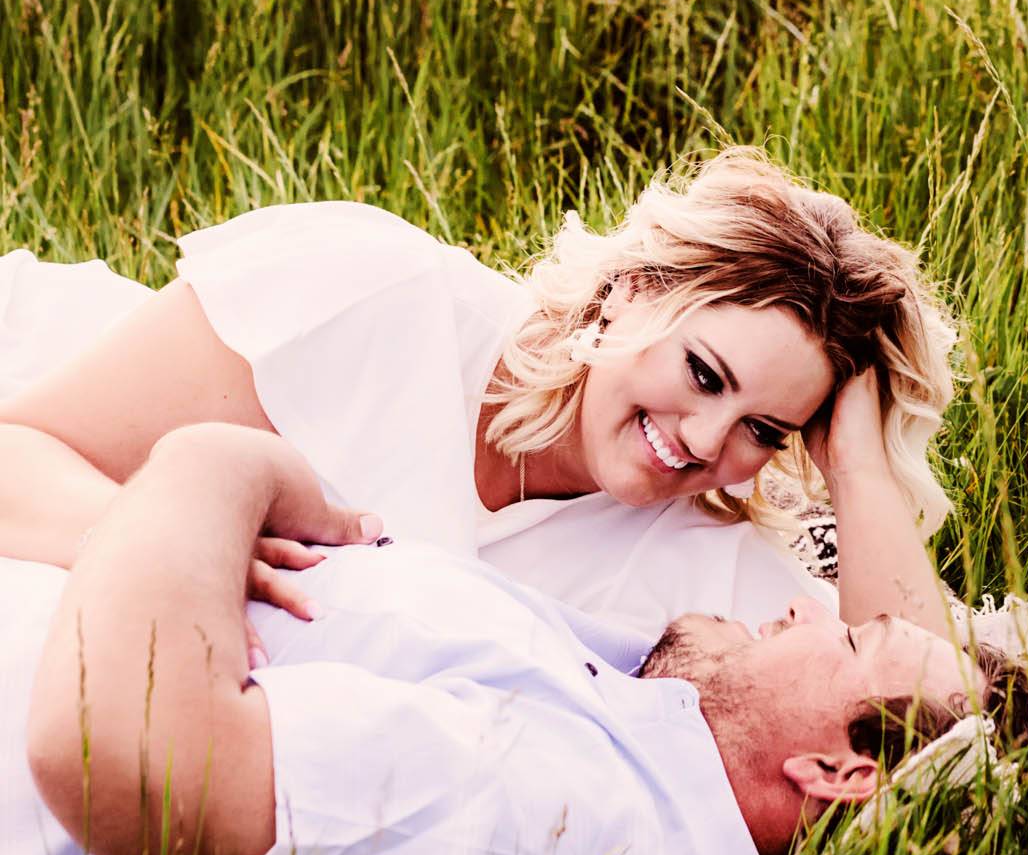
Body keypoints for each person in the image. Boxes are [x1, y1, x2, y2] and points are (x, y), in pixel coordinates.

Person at [3, 426, 1028, 855]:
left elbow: (119, 751)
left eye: (847, 635)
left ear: (836, 774)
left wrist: (217, 468)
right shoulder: (645, 737)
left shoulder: (586, 834)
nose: (805, 612)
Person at [0, 151, 958, 643]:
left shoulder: (696, 556)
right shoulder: (372, 293)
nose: (705, 441)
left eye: (763, 428)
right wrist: (176, 556)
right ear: (628, 290)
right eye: (704, 373)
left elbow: (917, 712)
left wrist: (860, 467)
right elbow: (19, 455)